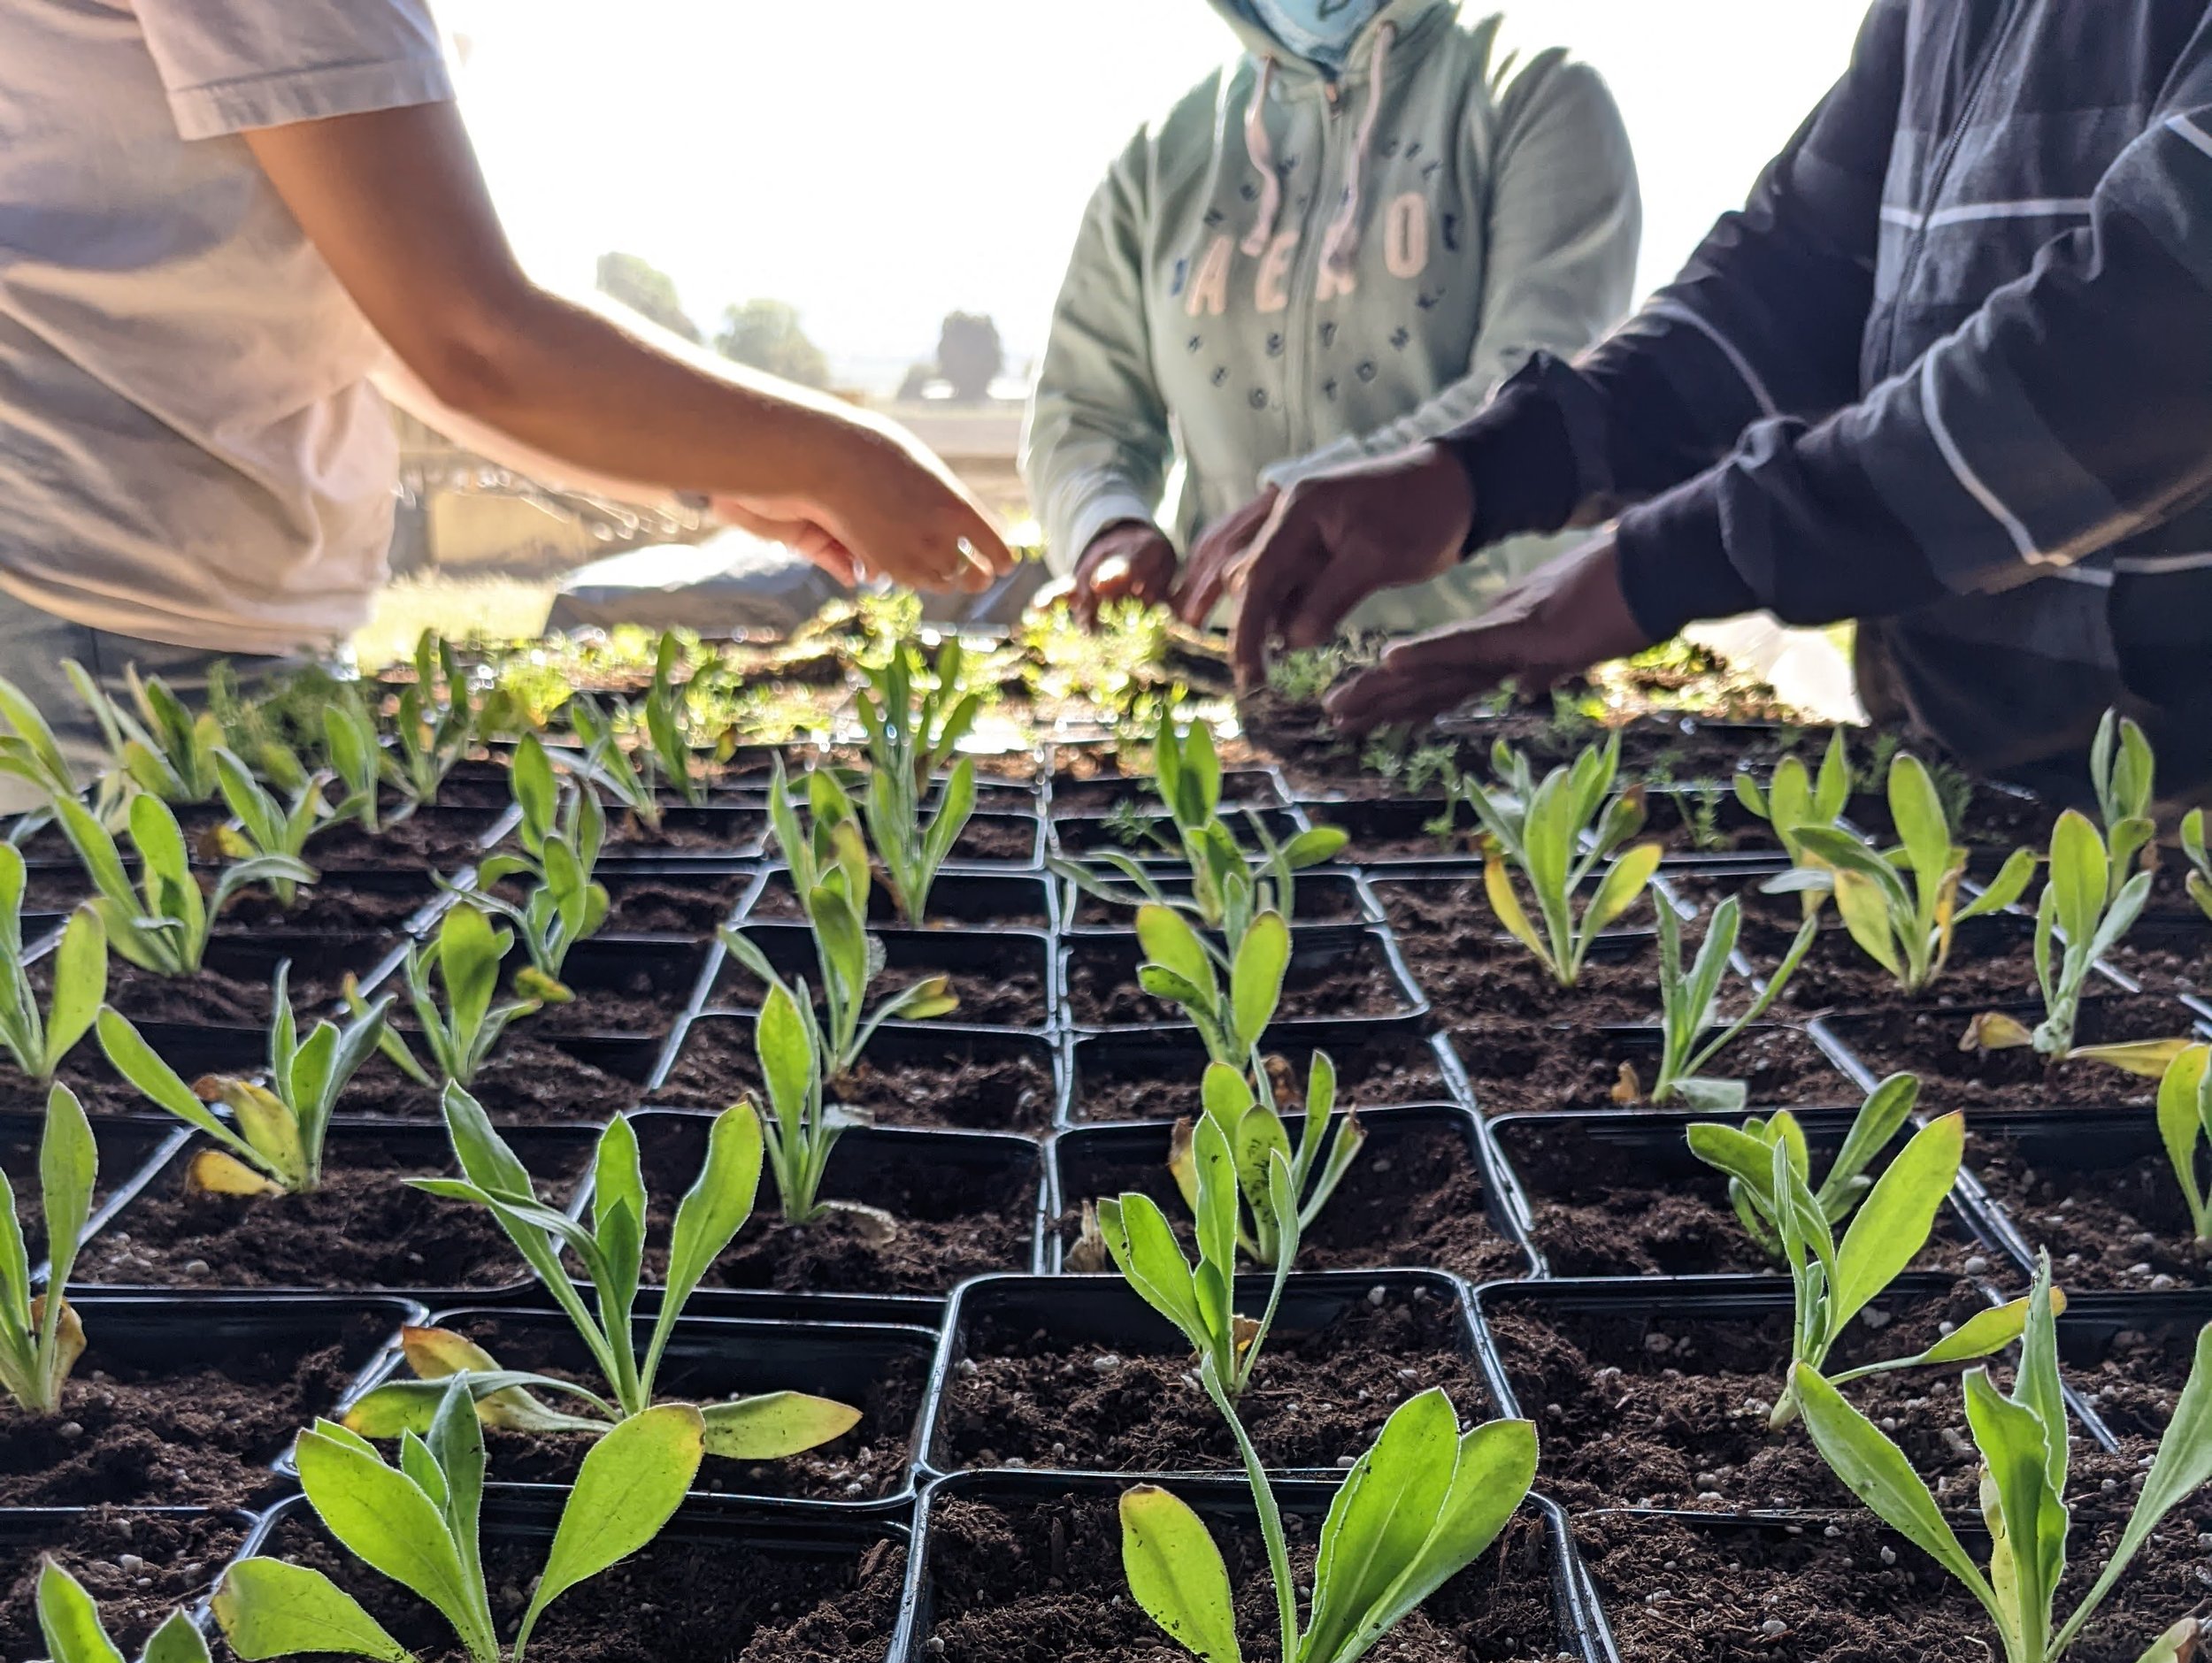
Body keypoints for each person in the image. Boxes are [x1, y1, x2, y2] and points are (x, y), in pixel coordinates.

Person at [1204, 0, 2212, 796]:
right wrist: (1484, 472)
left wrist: (1686, 555)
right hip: (1959, 784)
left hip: (2178, 825)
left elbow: (2146, 343)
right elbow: (1794, 277)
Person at [0, 0, 1011, 778]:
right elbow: (469, 336)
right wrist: (841, 456)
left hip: (140, 619)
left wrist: (703, 474)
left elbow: (386, 319)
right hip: (107, 628)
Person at [1025, 0, 1639, 642]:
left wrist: (1310, 508)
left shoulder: (1535, 91)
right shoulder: (1159, 157)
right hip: (1222, 673)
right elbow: (1084, 411)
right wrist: (1107, 525)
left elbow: (1538, 385)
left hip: (1485, 674)